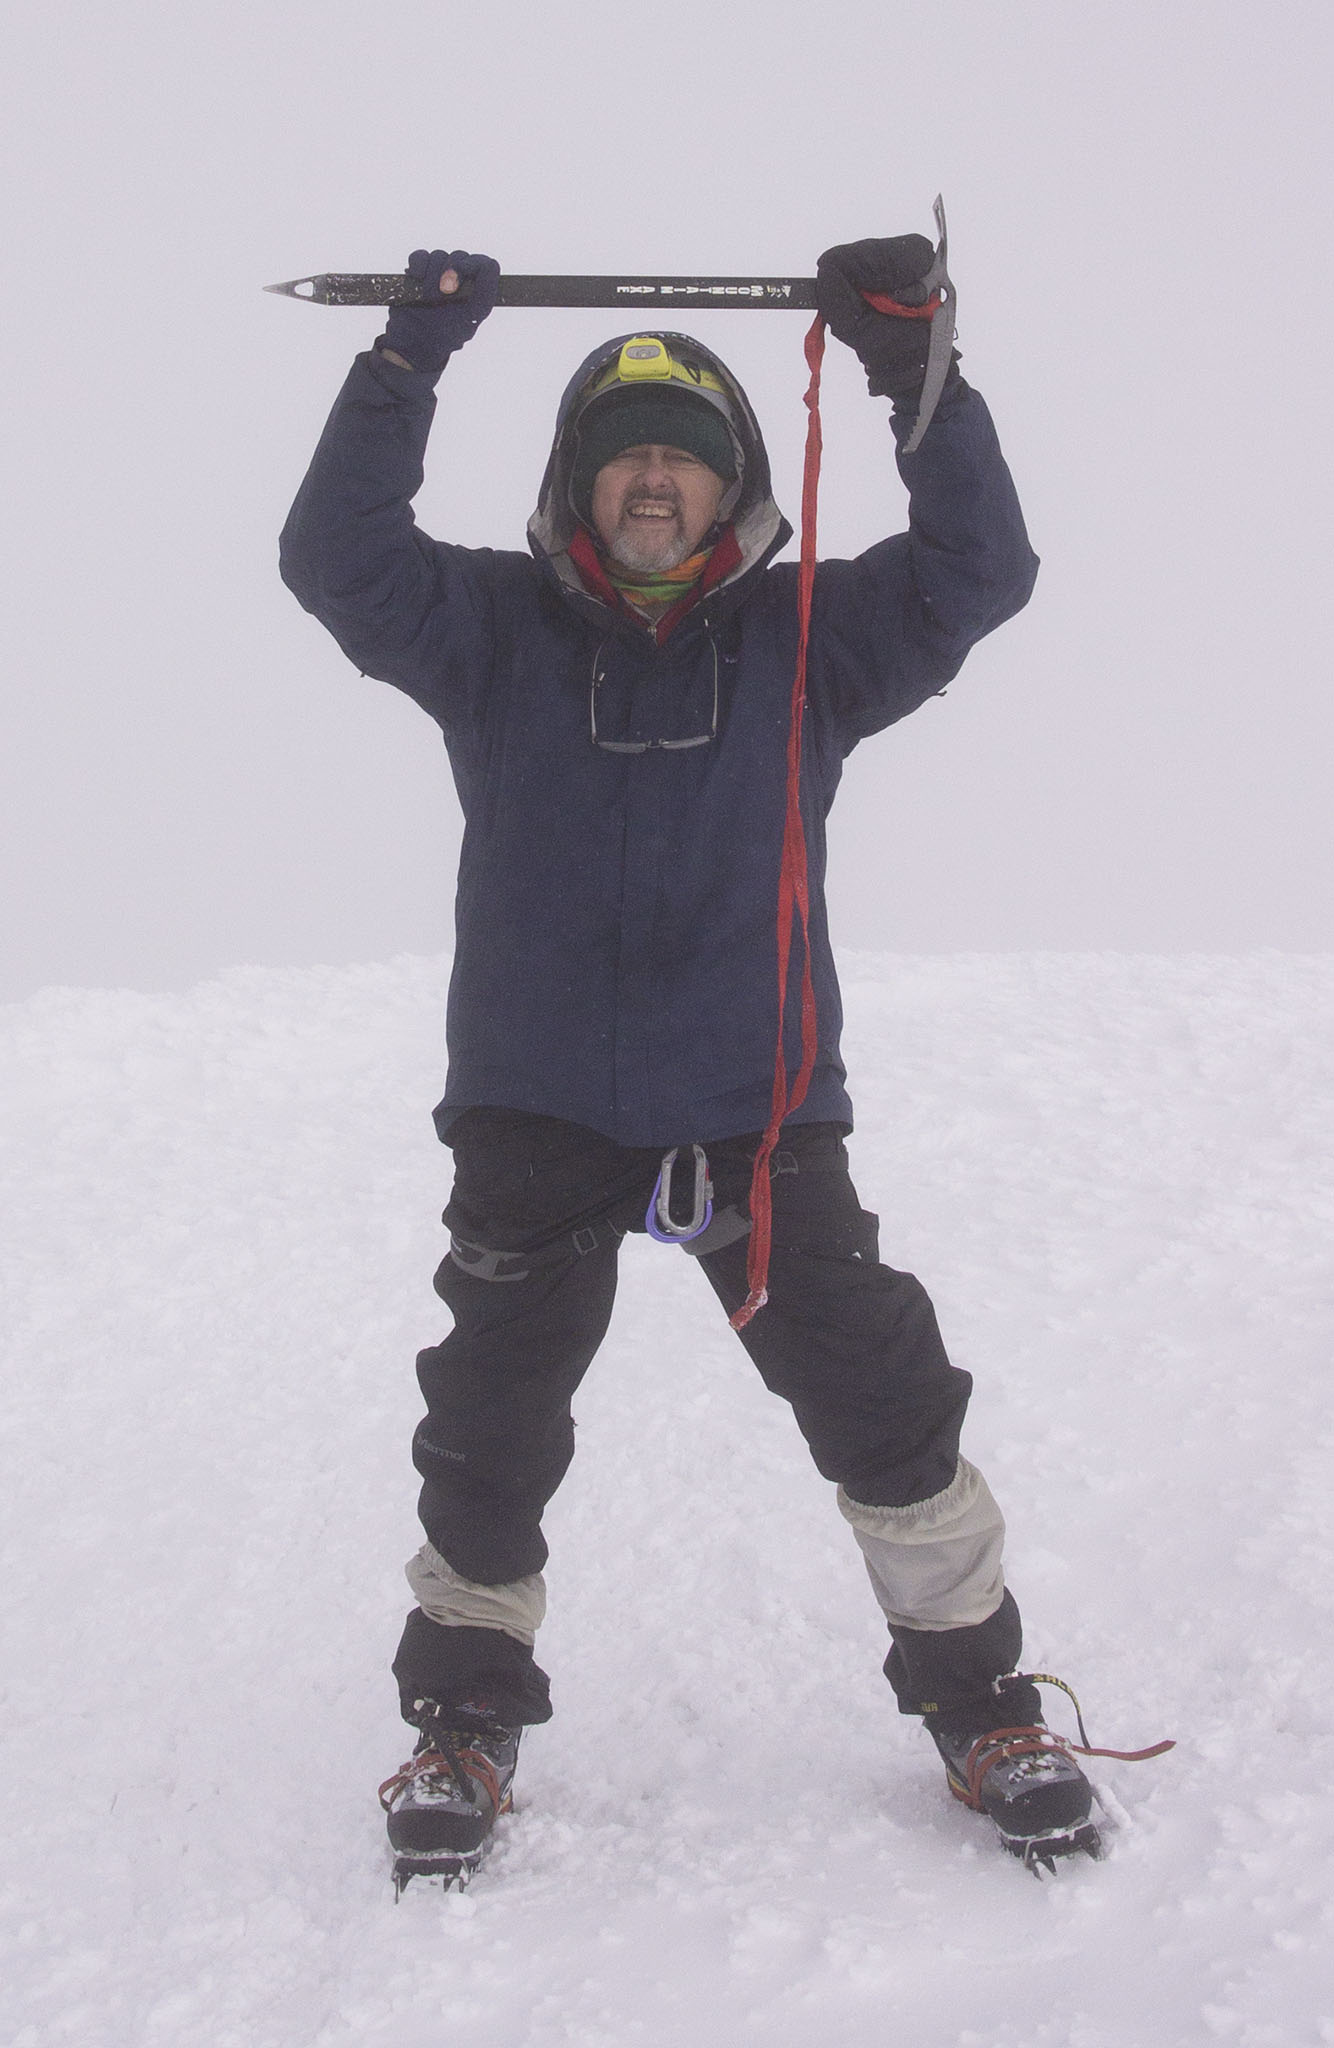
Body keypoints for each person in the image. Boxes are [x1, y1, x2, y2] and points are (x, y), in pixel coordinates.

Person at [279, 234, 1096, 1887]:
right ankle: (462, 1722)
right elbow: (337, 557)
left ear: (733, 492)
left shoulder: (819, 638)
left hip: (759, 1107)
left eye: (686, 456)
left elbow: (980, 567)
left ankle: (982, 1702)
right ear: (579, 485)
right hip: (534, 1104)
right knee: (490, 1427)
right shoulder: (489, 630)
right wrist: (401, 367)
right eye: (624, 454)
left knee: (883, 1405)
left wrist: (910, 368)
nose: (654, 480)